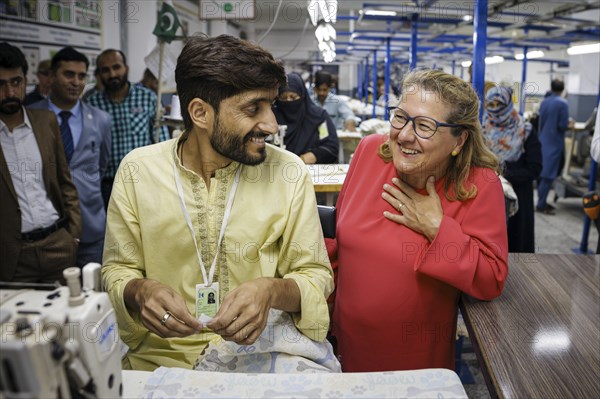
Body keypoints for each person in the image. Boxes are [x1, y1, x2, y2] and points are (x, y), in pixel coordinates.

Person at [101, 34, 333, 371]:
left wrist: (271, 291)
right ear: (200, 113)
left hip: (263, 352)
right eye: (253, 108)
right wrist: (139, 291)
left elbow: (315, 275)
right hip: (162, 359)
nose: (270, 124)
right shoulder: (137, 171)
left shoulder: (288, 172)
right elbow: (117, 270)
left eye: (272, 105)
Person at [328, 69, 508, 372]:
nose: (405, 135)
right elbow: (338, 242)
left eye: (424, 126)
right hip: (346, 341)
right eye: (400, 118)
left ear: (459, 140)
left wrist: (437, 227)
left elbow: (491, 277)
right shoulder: (370, 152)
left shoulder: (479, 184)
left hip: (414, 356)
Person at [0, 42, 81, 283]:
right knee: (20, 321)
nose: (10, 92)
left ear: (26, 80)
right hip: (12, 257)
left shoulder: (45, 122)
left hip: (58, 246)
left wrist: (73, 235)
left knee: (68, 318)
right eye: (1, 85)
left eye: (16, 82)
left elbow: (65, 182)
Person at [28, 47, 112, 267]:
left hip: (91, 228)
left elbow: (101, 166)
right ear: (52, 76)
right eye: (68, 74)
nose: (76, 81)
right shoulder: (31, 116)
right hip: (45, 229)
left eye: (81, 76)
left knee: (93, 292)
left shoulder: (101, 119)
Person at [86, 49, 169, 208]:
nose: (112, 74)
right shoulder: (92, 104)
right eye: (105, 70)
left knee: (146, 231)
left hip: (144, 182)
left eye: (116, 67)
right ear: (99, 74)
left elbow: (161, 143)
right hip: (107, 187)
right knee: (113, 232)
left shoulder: (147, 98)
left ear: (126, 68)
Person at [482, 86, 542, 253]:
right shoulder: (483, 129)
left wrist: (503, 174)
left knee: (516, 242)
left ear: (508, 104)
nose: (494, 109)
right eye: (491, 104)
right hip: (488, 194)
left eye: (498, 104)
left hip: (518, 197)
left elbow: (535, 169)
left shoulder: (525, 131)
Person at [273, 72, 339, 164]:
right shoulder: (273, 117)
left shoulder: (317, 118)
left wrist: (314, 155)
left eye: (293, 97)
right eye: (283, 98)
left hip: (310, 171)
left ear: (302, 96)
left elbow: (331, 146)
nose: (288, 102)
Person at [536, 79, 571, 215]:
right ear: (562, 90)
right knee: (548, 175)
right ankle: (541, 204)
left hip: (543, 141)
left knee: (542, 174)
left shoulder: (544, 102)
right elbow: (562, 125)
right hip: (554, 143)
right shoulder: (563, 104)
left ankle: (542, 201)